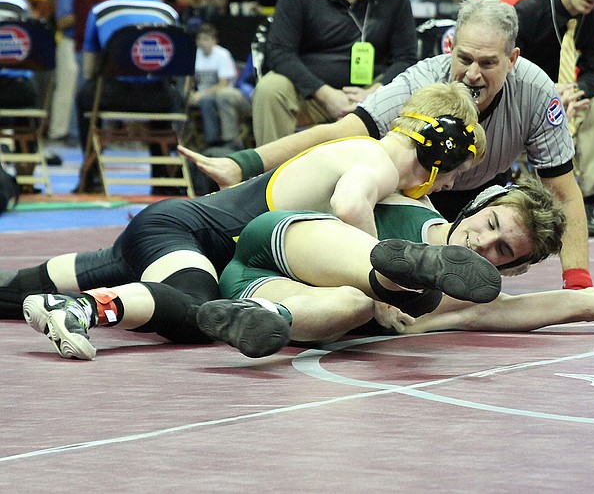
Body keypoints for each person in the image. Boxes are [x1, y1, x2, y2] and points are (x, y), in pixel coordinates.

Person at [10, 82, 489, 360]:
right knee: (196, 310)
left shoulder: (362, 152)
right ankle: (80, 310)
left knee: (13, 293)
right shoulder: (378, 161)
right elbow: (349, 206)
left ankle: (50, 297)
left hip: (173, 227)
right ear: (442, 153)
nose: (447, 187)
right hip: (186, 235)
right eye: (455, 175)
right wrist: (377, 288)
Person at [179, 0, 594, 292]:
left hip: (476, 207)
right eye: (464, 59)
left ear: (514, 60)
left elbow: (564, 191)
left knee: (466, 296)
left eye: (488, 64)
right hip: (408, 198)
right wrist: (246, 163)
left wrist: (577, 282)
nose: (472, 74)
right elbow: (342, 132)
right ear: (449, 48)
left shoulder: (537, 93)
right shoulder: (422, 79)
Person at [191, 182, 594, 358]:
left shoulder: (475, 303)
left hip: (258, 286)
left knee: (351, 310)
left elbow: (579, 304)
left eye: (502, 253)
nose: (483, 243)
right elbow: (347, 192)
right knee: (371, 288)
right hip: (289, 240)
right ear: (476, 208)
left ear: (511, 270)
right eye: (489, 225)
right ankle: (386, 278)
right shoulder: (411, 210)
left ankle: (261, 319)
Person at [251, 0, 417, 146]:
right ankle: (270, 175)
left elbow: (406, 58)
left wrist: (375, 92)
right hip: (313, 94)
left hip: (373, 95)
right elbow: (279, 51)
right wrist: (325, 94)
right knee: (270, 89)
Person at [514, 0, 594, 237]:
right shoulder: (529, 12)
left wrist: (576, 92)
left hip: (567, 98)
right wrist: (549, 93)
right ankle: (544, 195)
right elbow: (510, 71)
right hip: (529, 100)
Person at [75, 0, 183, 193]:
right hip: (159, 100)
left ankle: (91, 175)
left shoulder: (101, 11)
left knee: (84, 96)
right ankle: (163, 177)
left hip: (114, 95)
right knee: (166, 87)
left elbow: (89, 70)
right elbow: (176, 68)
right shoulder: (169, 12)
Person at [190, 23, 246, 148]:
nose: (201, 43)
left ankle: (212, 142)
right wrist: (191, 94)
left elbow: (223, 84)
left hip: (221, 94)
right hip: (201, 95)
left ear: (214, 41)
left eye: (205, 39)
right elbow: (190, 81)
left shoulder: (222, 55)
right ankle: (185, 139)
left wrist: (200, 95)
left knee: (206, 100)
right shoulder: (195, 54)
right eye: (199, 39)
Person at [49, 0, 83, 143]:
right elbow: (61, 22)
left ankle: (71, 130)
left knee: (75, 89)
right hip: (67, 43)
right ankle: (57, 130)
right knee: (65, 88)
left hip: (78, 45)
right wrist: (82, 11)